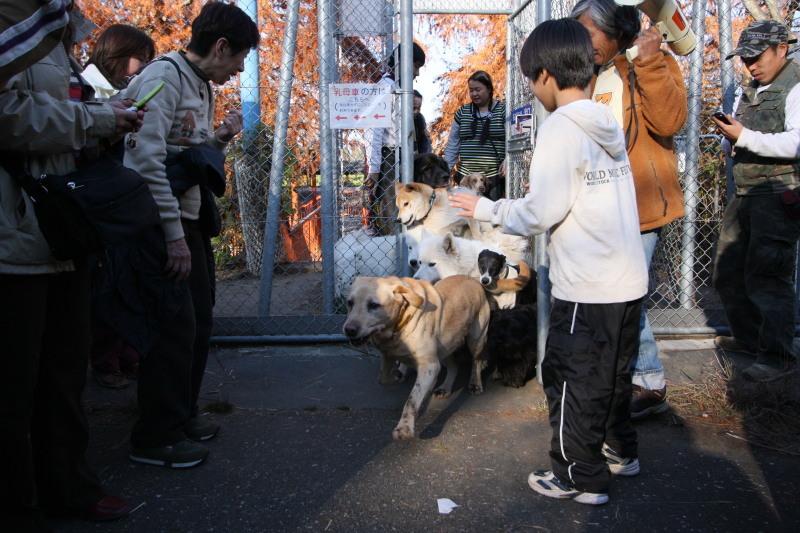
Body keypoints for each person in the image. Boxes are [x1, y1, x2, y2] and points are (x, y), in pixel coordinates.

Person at [450, 18, 647, 506]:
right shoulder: (603, 122)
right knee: (612, 376)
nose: (533, 92)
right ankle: (620, 451)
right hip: (626, 281)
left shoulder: (560, 128)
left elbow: (541, 211)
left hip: (587, 285)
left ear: (543, 76)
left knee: (568, 375)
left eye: (529, 82)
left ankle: (578, 476)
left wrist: (486, 209)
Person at [0, 2, 142, 529]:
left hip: (60, 228)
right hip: (13, 235)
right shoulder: (14, 25)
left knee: (64, 374)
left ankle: (70, 487)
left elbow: (61, 110)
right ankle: (19, 503)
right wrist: (96, 119)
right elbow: (10, 116)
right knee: (15, 383)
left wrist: (108, 119)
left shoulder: (54, 31)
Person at [121, 0, 259, 468]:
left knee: (198, 321)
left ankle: (180, 415)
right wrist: (172, 235)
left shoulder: (198, 84)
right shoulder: (164, 78)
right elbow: (143, 161)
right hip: (164, 221)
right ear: (221, 47)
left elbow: (186, 149)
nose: (240, 67)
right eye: (240, 57)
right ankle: (155, 436)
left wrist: (218, 140)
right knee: (173, 327)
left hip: (190, 215)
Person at [571, 0, 687, 419]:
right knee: (611, 294)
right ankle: (630, 375)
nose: (583, 43)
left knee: (623, 295)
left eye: (589, 34)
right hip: (600, 205)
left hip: (639, 207)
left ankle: (649, 380)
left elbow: (670, 121)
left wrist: (651, 64)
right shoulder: (591, 75)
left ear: (616, 32)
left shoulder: (652, 63)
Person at [712, 20, 800, 382]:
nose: (750, 65)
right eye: (745, 58)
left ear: (782, 48)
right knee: (727, 273)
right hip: (745, 192)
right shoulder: (752, 88)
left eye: (756, 56)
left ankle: (777, 357)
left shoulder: (795, 86)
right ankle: (751, 341)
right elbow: (739, 141)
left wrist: (744, 136)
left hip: (777, 195)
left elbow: (796, 144)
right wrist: (729, 137)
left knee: (768, 277)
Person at [82, 23, 156, 390]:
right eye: (140, 58)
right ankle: (105, 363)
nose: (143, 66)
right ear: (119, 53)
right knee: (107, 285)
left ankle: (127, 355)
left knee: (127, 281)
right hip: (97, 197)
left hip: (119, 194)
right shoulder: (88, 86)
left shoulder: (121, 89)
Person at [365, 41, 426, 236]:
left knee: (410, 214)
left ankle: (405, 259)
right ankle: (395, 260)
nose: (417, 73)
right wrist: (374, 170)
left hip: (406, 155)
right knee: (393, 214)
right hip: (390, 158)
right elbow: (373, 131)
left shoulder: (400, 87)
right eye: (416, 66)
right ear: (403, 62)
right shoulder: (386, 86)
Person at [444, 70, 507, 199]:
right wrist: (447, 169)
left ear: (488, 88)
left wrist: (508, 159)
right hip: (466, 178)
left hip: (492, 177)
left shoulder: (503, 110)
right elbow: (453, 143)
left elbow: (511, 139)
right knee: (466, 216)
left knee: (491, 215)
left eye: (478, 89)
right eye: (471, 90)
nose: (474, 94)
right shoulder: (463, 112)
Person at [413, 89, 431, 154]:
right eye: (413, 108)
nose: (416, 112)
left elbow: (425, 143)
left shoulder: (420, 118)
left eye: (419, 108)